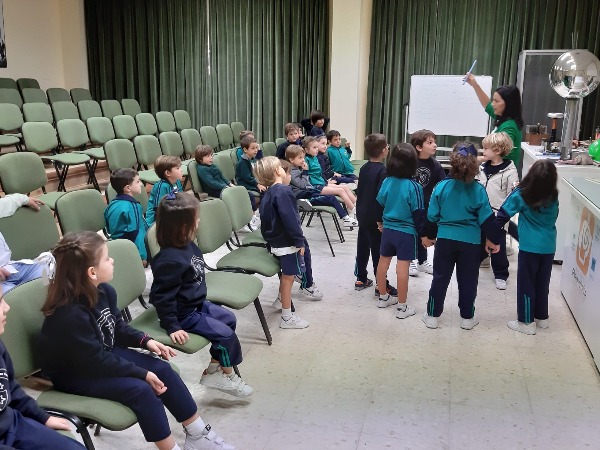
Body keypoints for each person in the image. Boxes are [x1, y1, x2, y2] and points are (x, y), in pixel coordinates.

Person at [40, 231, 235, 450]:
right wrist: (141, 373)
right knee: (141, 389)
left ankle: (198, 433)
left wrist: (145, 341)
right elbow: (94, 360)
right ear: (92, 272)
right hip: (75, 374)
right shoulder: (70, 314)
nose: (112, 260)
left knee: (163, 370)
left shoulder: (104, 291)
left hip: (100, 355)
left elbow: (116, 328)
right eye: (107, 258)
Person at [150, 192, 253, 398]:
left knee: (229, 319)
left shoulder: (188, 244)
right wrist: (172, 326)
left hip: (196, 304)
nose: (199, 221)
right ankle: (227, 373)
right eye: (195, 218)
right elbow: (161, 296)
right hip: (182, 314)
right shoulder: (170, 260)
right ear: (181, 226)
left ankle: (213, 370)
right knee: (225, 336)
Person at [422, 143, 502, 330]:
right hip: (471, 243)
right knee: (468, 280)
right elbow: (487, 219)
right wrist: (493, 239)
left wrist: (428, 236)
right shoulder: (478, 189)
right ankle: (467, 317)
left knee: (440, 278)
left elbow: (432, 216)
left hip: (445, 241)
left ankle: (432, 315)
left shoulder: (441, 187)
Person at [0, 290, 85, 449]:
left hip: (12, 426)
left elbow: (11, 388)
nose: (6, 307)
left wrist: (42, 417)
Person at [495, 159, 558, 335]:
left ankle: (526, 321)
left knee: (526, 283)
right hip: (549, 245)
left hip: (530, 247)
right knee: (542, 282)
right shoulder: (553, 195)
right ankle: (541, 317)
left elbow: (503, 213)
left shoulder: (522, 194)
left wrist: (491, 234)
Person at [254, 157, 313, 329]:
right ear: (277, 171)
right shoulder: (284, 191)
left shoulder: (270, 192)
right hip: (287, 243)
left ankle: (281, 300)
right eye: (281, 167)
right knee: (288, 277)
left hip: (276, 241)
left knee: (287, 275)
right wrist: (299, 241)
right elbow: (291, 220)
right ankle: (287, 317)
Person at [375, 144, 429, 319]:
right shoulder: (415, 187)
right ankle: (402, 306)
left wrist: (380, 222)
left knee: (383, 263)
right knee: (402, 267)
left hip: (388, 230)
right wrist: (424, 235)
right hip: (406, 232)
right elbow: (419, 214)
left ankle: (383, 297)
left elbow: (379, 203)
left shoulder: (387, 181)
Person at [354, 133, 397, 297]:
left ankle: (361, 278)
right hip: (374, 219)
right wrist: (380, 220)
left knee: (362, 248)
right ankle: (381, 285)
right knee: (378, 252)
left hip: (362, 215)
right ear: (383, 151)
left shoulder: (364, 167)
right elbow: (380, 197)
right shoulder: (383, 171)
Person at [475, 132, 519, 290]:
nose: (483, 151)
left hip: (497, 217)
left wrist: (503, 216)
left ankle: (501, 274)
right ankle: (473, 264)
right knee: (478, 242)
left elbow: (512, 196)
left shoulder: (510, 171)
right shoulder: (481, 168)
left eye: (486, 149)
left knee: (497, 246)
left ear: (498, 150)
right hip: (480, 214)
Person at [286, 143, 358, 228]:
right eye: (300, 158)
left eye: (303, 157)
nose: (303, 160)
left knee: (331, 197)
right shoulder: (292, 171)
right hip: (302, 195)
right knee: (330, 198)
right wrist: (306, 172)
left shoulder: (299, 167)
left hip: (309, 192)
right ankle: (303, 203)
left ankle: (346, 218)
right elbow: (302, 185)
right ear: (291, 159)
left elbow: (307, 183)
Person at [466, 74, 524, 169]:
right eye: (493, 100)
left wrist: (476, 159)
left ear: (509, 104)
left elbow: (500, 153)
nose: (493, 104)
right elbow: (486, 105)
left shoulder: (509, 127)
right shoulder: (502, 116)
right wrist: (474, 84)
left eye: (497, 101)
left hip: (502, 175)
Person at [410, 129, 446, 277]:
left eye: (434, 142)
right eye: (430, 143)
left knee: (423, 231)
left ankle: (422, 261)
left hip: (427, 205)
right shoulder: (410, 163)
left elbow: (442, 185)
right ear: (419, 147)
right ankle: (411, 259)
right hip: (411, 205)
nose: (435, 145)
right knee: (412, 231)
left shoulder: (436, 165)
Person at [0, 194, 45, 293]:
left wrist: (25, 199)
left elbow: (8, 202)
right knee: (17, 300)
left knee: (48, 275)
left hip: (11, 268)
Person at [104, 168, 149, 261]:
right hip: (134, 253)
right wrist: (142, 256)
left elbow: (109, 229)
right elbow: (136, 233)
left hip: (117, 249)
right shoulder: (133, 207)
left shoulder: (111, 205)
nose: (141, 184)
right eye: (138, 181)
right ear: (128, 188)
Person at [145, 155, 184, 227]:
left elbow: (181, 198)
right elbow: (160, 209)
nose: (181, 170)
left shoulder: (177, 182)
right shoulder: (161, 186)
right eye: (178, 168)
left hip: (172, 211)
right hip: (157, 220)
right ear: (168, 173)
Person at [235, 135, 265, 220]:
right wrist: (257, 184)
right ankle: (256, 215)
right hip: (244, 185)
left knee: (266, 188)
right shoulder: (242, 163)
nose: (256, 150)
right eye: (253, 148)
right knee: (263, 191)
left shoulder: (248, 159)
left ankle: (263, 211)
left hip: (250, 183)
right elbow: (247, 178)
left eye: (256, 148)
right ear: (245, 150)